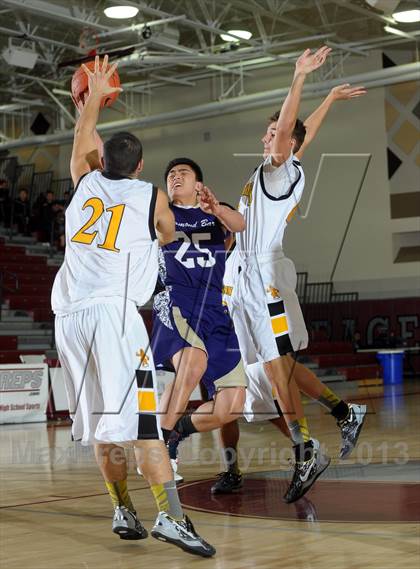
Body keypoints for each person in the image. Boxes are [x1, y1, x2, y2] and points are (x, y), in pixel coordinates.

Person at [51, 56, 215, 558]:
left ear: (101, 163)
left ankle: (123, 507)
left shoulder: (83, 181)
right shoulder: (151, 197)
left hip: (70, 319)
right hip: (114, 319)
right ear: (141, 168)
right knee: (146, 426)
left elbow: (83, 138)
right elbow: (167, 235)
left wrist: (91, 102)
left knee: (105, 424)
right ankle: (170, 516)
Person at [208, 81, 369, 496]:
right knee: (272, 370)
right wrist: (329, 100)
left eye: (273, 133)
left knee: (279, 370)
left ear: (284, 141)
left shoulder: (280, 173)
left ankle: (305, 448)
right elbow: (302, 133)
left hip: (264, 280)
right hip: (244, 281)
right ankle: (342, 413)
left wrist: (298, 78)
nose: (266, 137)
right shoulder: (278, 168)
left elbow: (290, 133)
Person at [151, 158, 247, 469]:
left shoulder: (215, 217)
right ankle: (160, 449)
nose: (175, 177)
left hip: (215, 310)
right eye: (171, 175)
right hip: (178, 301)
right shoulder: (163, 214)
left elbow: (241, 224)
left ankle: (176, 431)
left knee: (231, 406)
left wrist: (217, 208)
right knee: (192, 365)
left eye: (183, 173)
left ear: (199, 184)